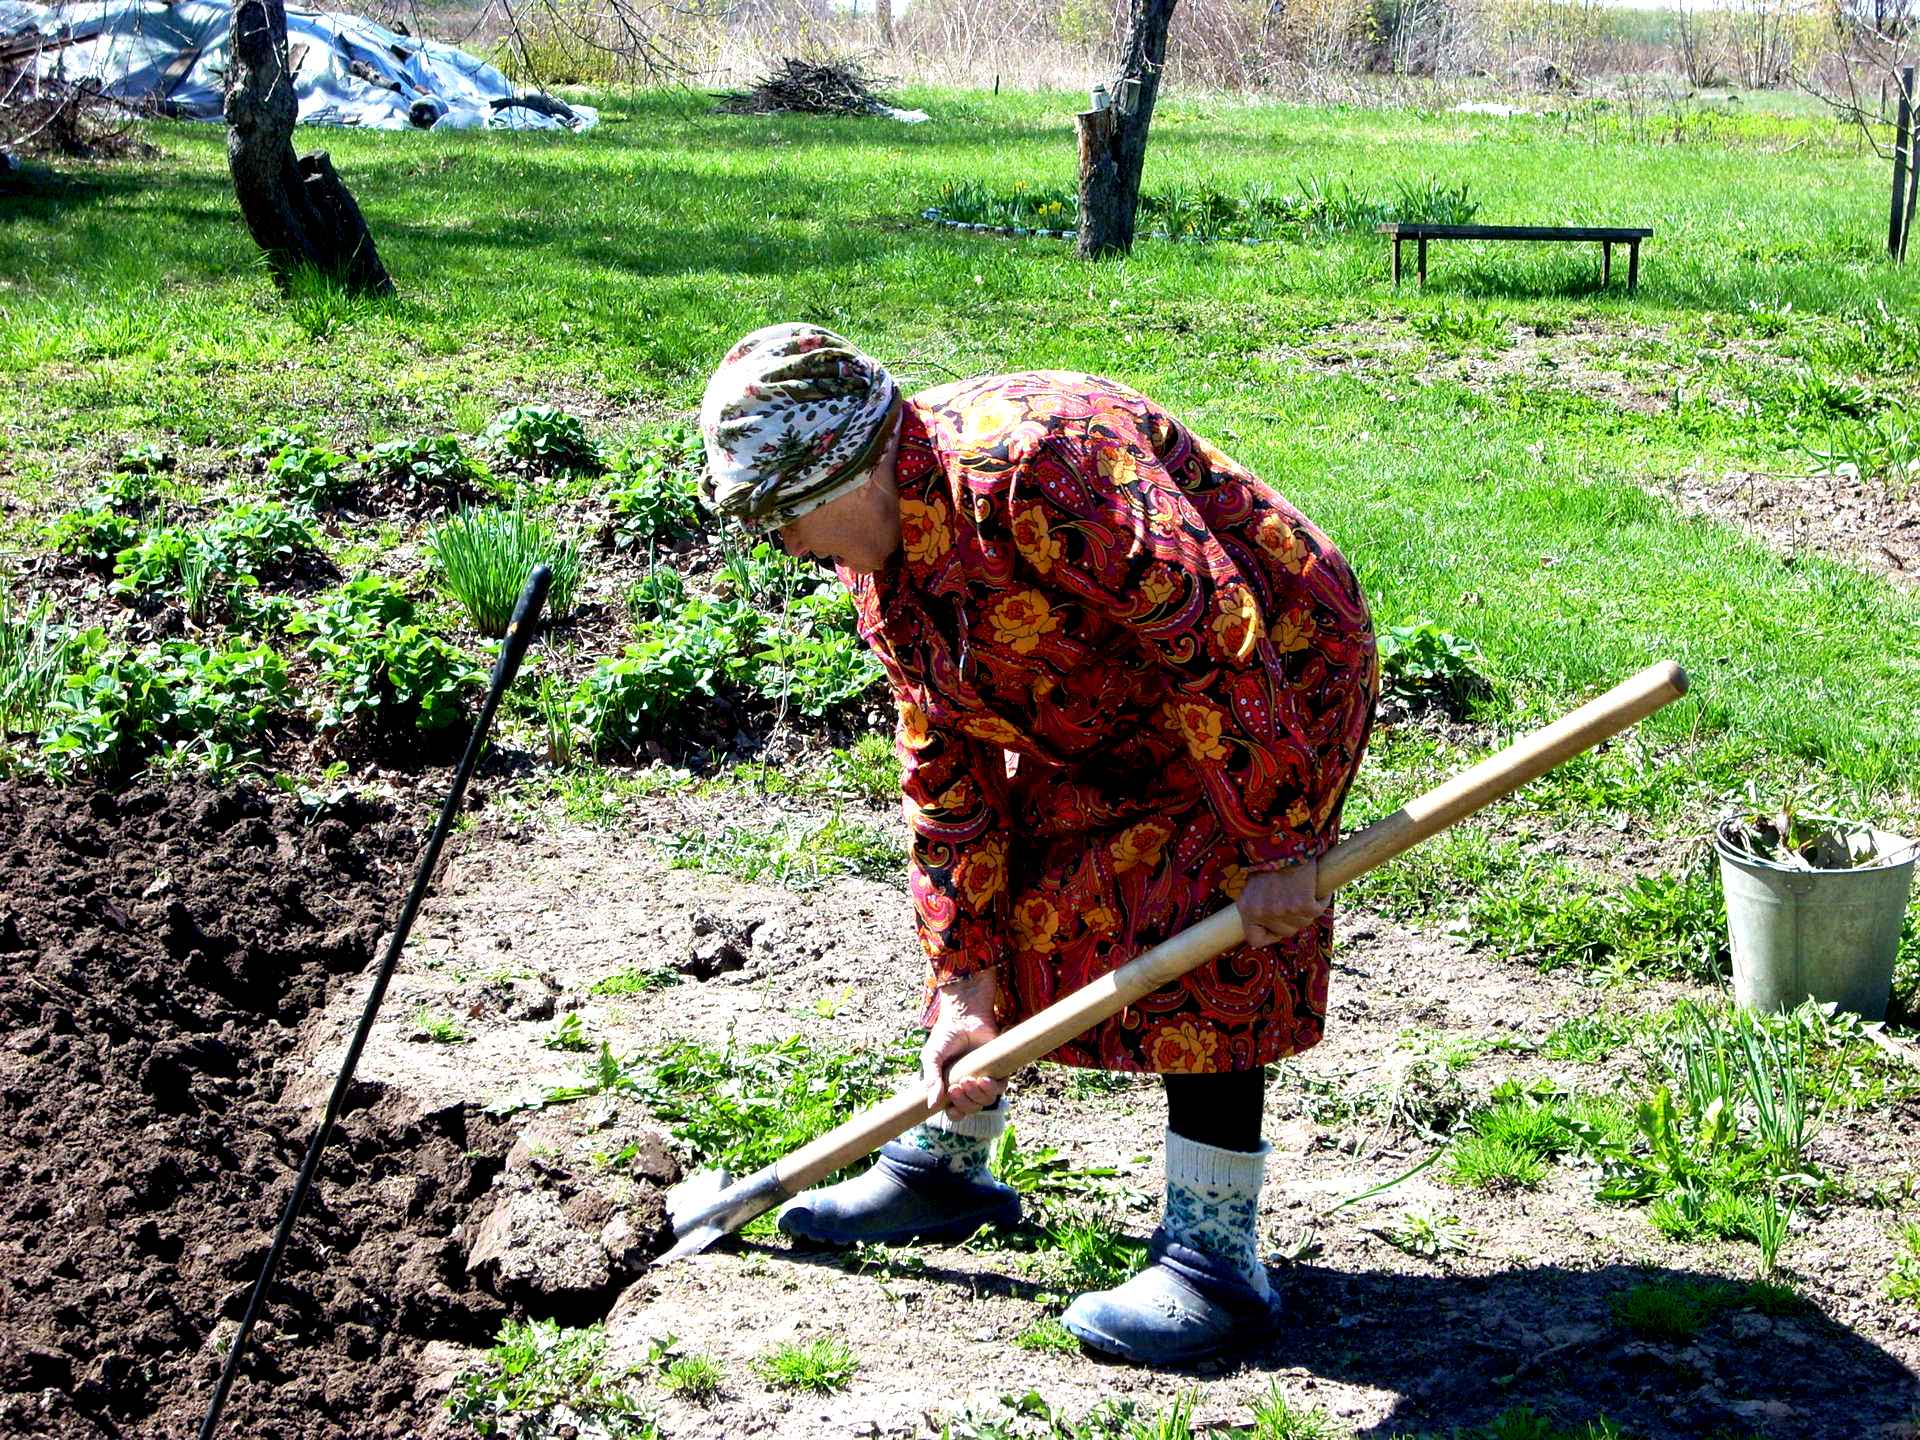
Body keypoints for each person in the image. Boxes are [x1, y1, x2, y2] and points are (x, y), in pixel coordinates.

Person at [698, 323, 1377, 1365]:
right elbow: (948, 780)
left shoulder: (1036, 466)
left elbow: (1217, 636)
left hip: (1266, 676)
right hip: (1105, 705)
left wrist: (1277, 839)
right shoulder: (886, 563)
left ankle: (1214, 1260)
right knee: (1023, 881)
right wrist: (963, 986)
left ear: (850, 467)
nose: (781, 546)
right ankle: (947, 1164)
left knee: (1208, 915)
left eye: (779, 517)